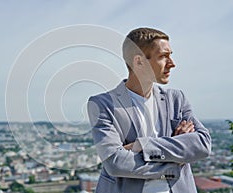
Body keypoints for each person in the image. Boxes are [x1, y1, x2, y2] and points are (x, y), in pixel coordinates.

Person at [87, 27, 211, 193]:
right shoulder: (102, 104)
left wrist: (141, 145)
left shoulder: (176, 99)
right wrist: (175, 161)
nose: (172, 63)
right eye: (163, 56)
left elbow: (202, 144)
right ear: (139, 61)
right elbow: (115, 163)